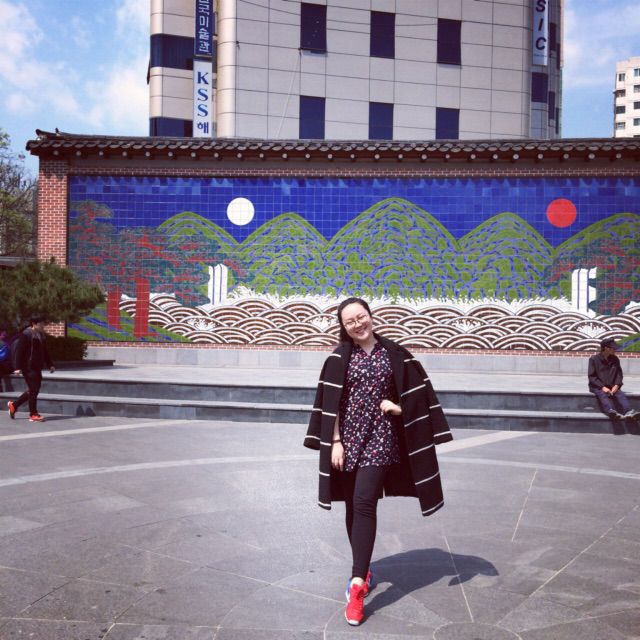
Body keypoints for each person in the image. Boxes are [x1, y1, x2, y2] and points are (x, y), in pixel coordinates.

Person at [304, 297, 453, 626]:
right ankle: (363, 568)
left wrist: (399, 408)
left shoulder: (395, 354)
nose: (357, 324)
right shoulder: (338, 358)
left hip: (381, 438)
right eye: (350, 321)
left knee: (363, 501)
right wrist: (336, 442)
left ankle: (357, 585)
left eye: (361, 317)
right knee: (352, 505)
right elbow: (331, 403)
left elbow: (419, 393)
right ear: (344, 327)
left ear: (371, 316)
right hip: (348, 440)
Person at [7, 315, 55, 423]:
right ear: (34, 324)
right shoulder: (26, 334)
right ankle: (33, 414)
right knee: (34, 390)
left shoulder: (41, 335)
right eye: (41, 323)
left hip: (37, 367)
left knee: (34, 390)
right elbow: (19, 352)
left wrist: (50, 364)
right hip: (28, 367)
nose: (43, 325)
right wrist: (17, 367)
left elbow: (45, 351)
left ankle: (14, 405)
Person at [588, 338, 637, 420]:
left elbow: (619, 374)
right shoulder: (593, 359)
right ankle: (610, 411)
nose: (615, 350)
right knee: (602, 394)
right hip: (597, 386)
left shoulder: (615, 359)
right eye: (613, 348)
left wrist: (617, 385)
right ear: (606, 348)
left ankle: (628, 412)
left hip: (612, 385)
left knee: (620, 394)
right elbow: (592, 376)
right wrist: (602, 387)